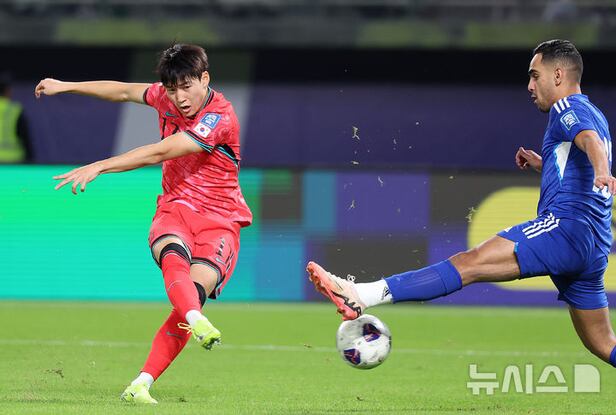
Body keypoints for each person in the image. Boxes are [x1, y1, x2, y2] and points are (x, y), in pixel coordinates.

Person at [307, 39, 616, 367]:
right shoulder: (595, 114)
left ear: (558, 75)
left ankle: (361, 294)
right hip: (594, 245)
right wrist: (547, 164)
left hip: (566, 229)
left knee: (469, 264)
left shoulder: (566, 107)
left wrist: (602, 171)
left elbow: (590, 142)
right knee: (602, 343)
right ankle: (362, 294)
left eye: (534, 75)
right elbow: (584, 151)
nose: (529, 85)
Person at [35, 44, 252, 404]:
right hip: (175, 208)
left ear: (205, 79)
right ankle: (195, 318)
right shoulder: (165, 96)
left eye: (187, 87)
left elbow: (161, 151)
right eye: (172, 89)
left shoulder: (220, 116)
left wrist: (100, 165)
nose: (179, 98)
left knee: (192, 294)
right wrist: (66, 85)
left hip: (220, 219)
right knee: (173, 256)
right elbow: (121, 91)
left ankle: (141, 383)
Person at [0, 72, 32, 163]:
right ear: (7, 91)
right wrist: (30, 158)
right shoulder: (15, 110)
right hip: (14, 161)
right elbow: (25, 137)